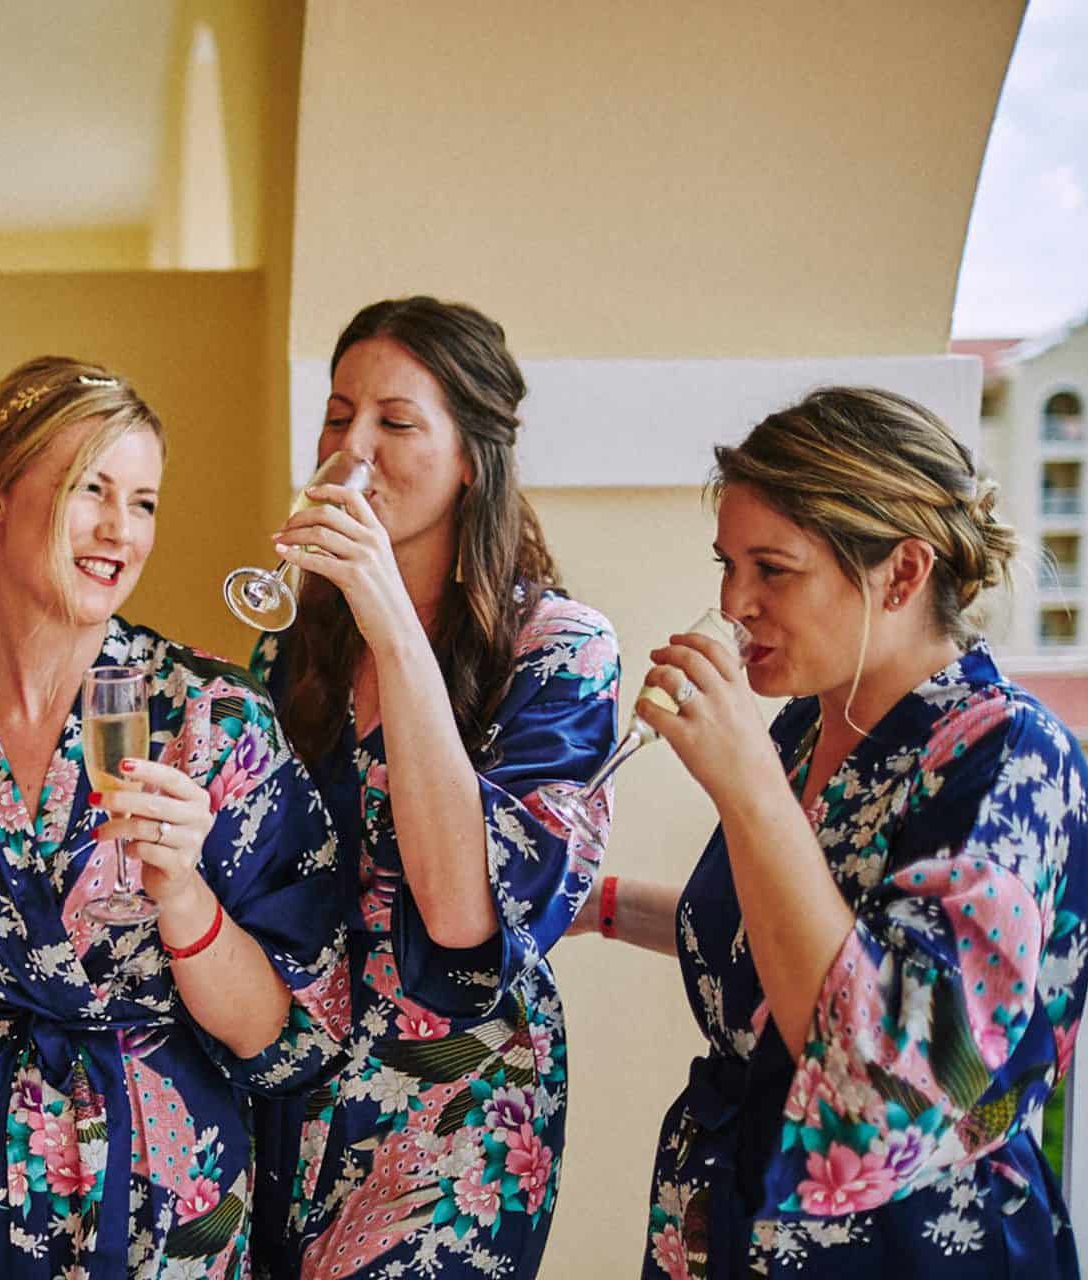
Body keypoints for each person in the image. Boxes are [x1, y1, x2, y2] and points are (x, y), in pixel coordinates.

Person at [0, 356, 350, 1277]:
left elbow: (284, 1037)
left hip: (160, 1222)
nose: (121, 530)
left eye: (146, 501)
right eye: (92, 490)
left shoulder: (214, 723)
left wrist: (184, 894)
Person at [576, 387, 1088, 1276]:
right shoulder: (809, 727)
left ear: (903, 572)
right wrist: (593, 904)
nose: (734, 604)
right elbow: (782, 943)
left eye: (772, 569)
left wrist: (746, 789)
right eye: (727, 565)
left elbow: (885, 1079)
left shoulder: (1011, 762)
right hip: (733, 1222)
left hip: (910, 1245)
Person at [249, 296, 620, 1278]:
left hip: (453, 1098)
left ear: (471, 457)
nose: (354, 446)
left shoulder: (561, 653)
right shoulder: (294, 650)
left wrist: (386, 612)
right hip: (288, 1077)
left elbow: (464, 910)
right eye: (338, 415)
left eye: (396, 421)